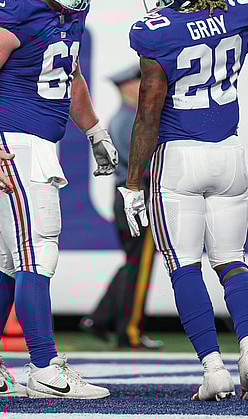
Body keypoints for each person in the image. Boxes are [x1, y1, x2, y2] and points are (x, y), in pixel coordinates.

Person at [0, 0, 117, 399]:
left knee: (7, 263)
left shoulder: (69, 13)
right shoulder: (12, 11)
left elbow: (70, 75)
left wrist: (95, 130)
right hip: (10, 146)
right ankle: (44, 369)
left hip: (32, 146)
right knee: (38, 254)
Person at [120, 0, 248, 401]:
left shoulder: (157, 31)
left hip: (178, 159)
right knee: (232, 261)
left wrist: (132, 183)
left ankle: (214, 369)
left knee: (185, 267)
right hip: (229, 154)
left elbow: (148, 112)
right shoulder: (237, 13)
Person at [79, 64, 163, 350]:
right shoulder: (131, 120)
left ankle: (100, 318)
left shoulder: (123, 118)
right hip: (137, 196)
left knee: (133, 262)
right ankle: (129, 330)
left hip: (127, 196)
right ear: (128, 86)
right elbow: (143, 164)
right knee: (140, 264)